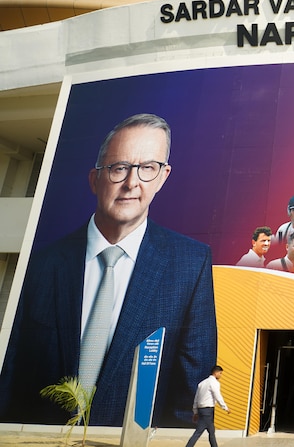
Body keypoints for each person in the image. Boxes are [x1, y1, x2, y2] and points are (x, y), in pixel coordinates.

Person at [0, 113, 217, 427]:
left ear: (163, 176)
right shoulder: (43, 265)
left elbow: (190, 387)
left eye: (147, 169)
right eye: (119, 168)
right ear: (94, 179)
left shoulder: (190, 264)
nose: (131, 183)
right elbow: (12, 375)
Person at [185, 365, 230, 447]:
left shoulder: (202, 383)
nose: (221, 375)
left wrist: (195, 412)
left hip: (201, 410)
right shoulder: (214, 383)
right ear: (216, 373)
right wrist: (225, 407)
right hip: (207, 411)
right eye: (220, 373)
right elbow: (217, 395)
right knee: (198, 431)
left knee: (211, 431)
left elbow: (196, 398)